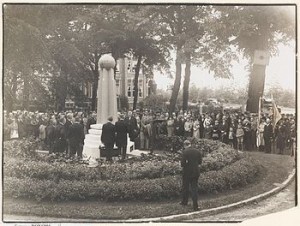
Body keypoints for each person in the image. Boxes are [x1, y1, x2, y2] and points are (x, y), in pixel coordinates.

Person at [180, 140, 202, 211]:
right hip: (196, 172)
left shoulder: (185, 152)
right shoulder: (197, 151)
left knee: (185, 187)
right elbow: (200, 162)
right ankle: (195, 205)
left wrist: (187, 164)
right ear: (190, 144)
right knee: (194, 188)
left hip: (187, 172)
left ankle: (184, 202)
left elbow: (182, 164)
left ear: (184, 145)